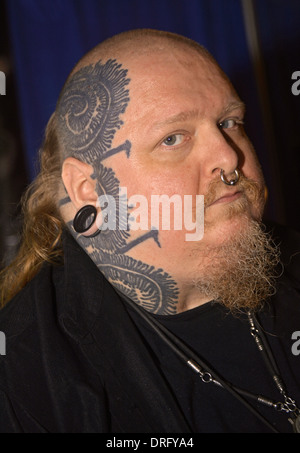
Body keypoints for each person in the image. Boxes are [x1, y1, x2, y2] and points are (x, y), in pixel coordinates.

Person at [0, 29, 299, 434]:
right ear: (90, 190)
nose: (229, 156)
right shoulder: (26, 381)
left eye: (230, 122)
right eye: (173, 138)